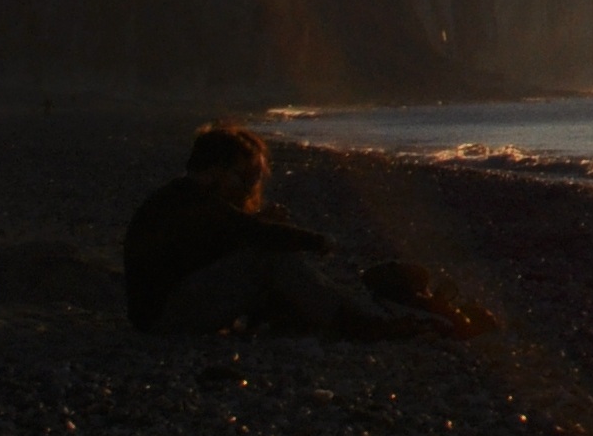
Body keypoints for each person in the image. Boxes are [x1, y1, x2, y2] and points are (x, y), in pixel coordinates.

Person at [122, 126, 439, 339]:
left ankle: (325, 317)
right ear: (216, 169)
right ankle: (362, 325)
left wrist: (269, 225)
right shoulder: (190, 201)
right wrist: (315, 241)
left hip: (160, 313)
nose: (248, 187)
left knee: (268, 255)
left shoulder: (183, 199)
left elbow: (220, 242)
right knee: (269, 258)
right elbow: (251, 233)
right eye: (242, 176)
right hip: (165, 319)